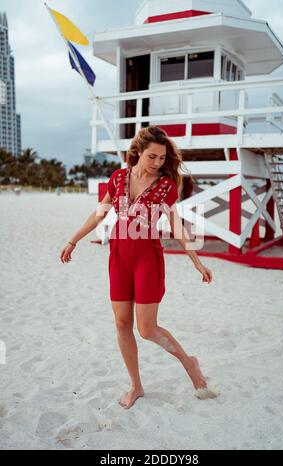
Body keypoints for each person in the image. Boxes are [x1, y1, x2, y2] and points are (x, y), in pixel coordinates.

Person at [60, 126, 218, 409]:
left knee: (147, 329)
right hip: (119, 255)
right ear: (137, 152)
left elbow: (176, 226)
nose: (158, 163)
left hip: (147, 256)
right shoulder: (118, 178)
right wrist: (73, 239)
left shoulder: (166, 185)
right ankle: (136, 385)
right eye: (152, 157)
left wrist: (197, 260)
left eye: (161, 158)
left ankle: (189, 363)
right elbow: (99, 215)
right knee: (122, 324)